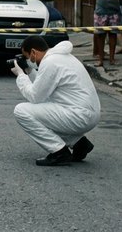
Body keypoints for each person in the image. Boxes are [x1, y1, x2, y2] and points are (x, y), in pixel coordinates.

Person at [11, 36, 101, 167]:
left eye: (27, 57)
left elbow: (34, 96)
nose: (29, 60)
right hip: (87, 114)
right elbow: (43, 89)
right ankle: (79, 144)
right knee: (44, 108)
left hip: (79, 116)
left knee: (21, 111)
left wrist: (20, 76)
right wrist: (29, 71)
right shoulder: (61, 57)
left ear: (34, 53)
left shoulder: (50, 62)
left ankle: (59, 152)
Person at [90, 0, 122, 67]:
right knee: (100, 35)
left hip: (114, 12)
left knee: (113, 35)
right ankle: (100, 59)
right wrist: (95, 8)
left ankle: (112, 58)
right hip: (100, 12)